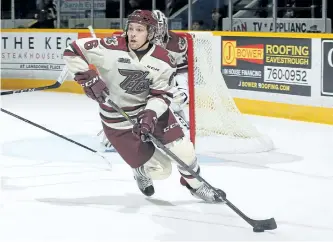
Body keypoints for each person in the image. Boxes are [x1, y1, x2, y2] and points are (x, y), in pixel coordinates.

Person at [63, 9, 225, 203]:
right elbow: (73, 50)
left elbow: (161, 94)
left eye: (139, 30)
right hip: (117, 120)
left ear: (150, 33)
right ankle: (140, 169)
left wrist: (150, 114)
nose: (132, 34)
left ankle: (197, 186)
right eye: (130, 28)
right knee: (162, 170)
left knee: (184, 152)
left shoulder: (164, 59)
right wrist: (87, 78)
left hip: (150, 111)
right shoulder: (111, 47)